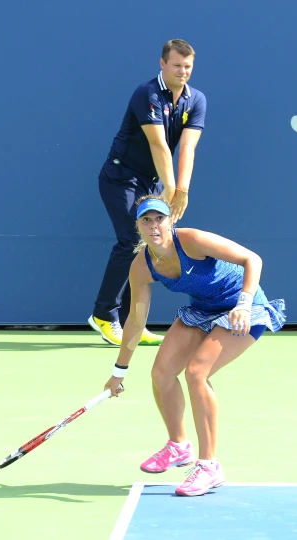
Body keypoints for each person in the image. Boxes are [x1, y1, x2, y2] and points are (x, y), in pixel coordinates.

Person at [102, 196, 286, 497]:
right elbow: (136, 321)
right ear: (138, 227)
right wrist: (118, 372)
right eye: (146, 221)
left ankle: (210, 466)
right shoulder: (142, 266)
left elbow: (252, 259)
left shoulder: (192, 240)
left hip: (244, 309)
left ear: (169, 220)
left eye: (159, 219)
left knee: (196, 372)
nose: (153, 226)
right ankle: (178, 445)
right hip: (203, 310)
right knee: (161, 372)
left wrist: (244, 303)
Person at [88, 39, 206, 347]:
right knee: (132, 240)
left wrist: (182, 189)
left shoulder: (196, 100)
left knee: (148, 248)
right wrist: (170, 188)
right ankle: (103, 315)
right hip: (120, 178)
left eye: (188, 66)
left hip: (152, 182)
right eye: (177, 65)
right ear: (163, 64)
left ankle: (133, 323)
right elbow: (158, 144)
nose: (183, 71)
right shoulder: (147, 94)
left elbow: (188, 148)